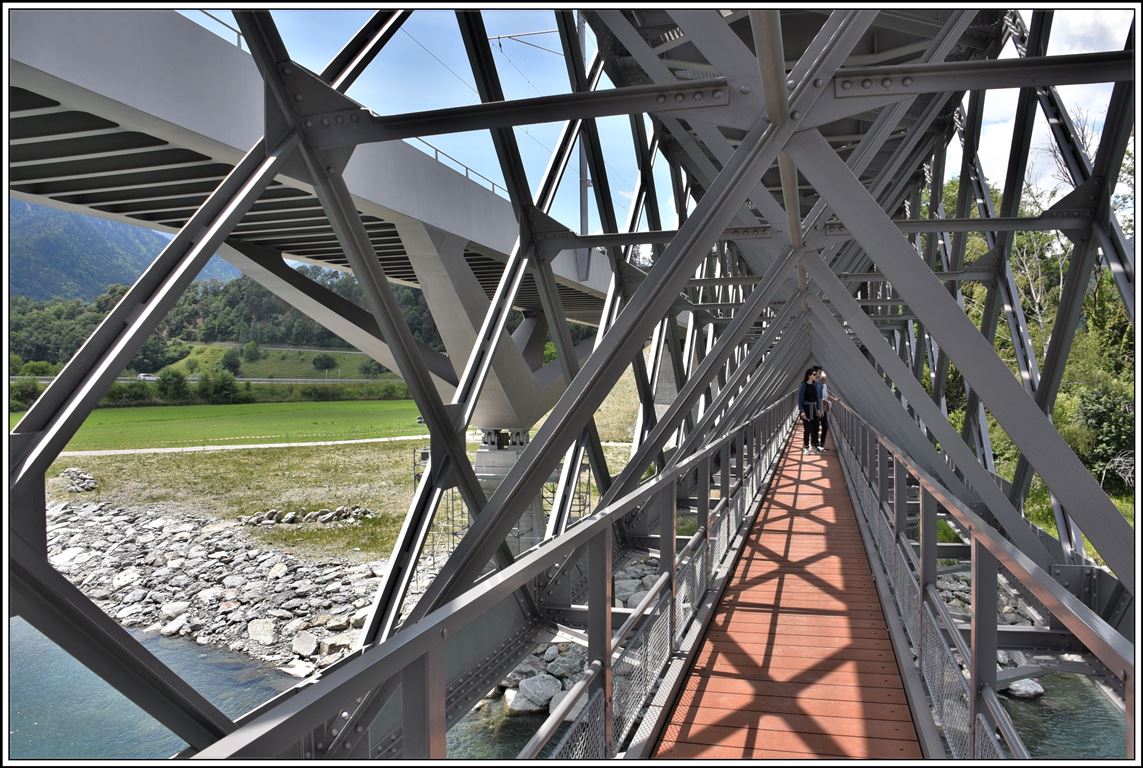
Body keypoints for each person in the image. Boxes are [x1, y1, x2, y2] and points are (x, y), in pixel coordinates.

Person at [797, 368, 820, 455]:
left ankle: (814, 445)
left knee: (816, 427)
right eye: (814, 374)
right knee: (808, 429)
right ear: (809, 375)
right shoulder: (803, 385)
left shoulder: (815, 385)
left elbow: (817, 398)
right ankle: (806, 447)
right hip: (806, 409)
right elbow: (800, 400)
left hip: (814, 408)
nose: (815, 376)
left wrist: (818, 409)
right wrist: (802, 411)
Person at [817, 370, 839, 451]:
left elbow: (827, 394)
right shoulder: (817, 386)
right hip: (818, 408)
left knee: (825, 426)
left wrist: (834, 399)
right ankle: (816, 444)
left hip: (824, 408)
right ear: (820, 378)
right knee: (816, 427)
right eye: (823, 379)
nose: (825, 380)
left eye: (825, 379)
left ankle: (821, 444)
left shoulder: (824, 385)